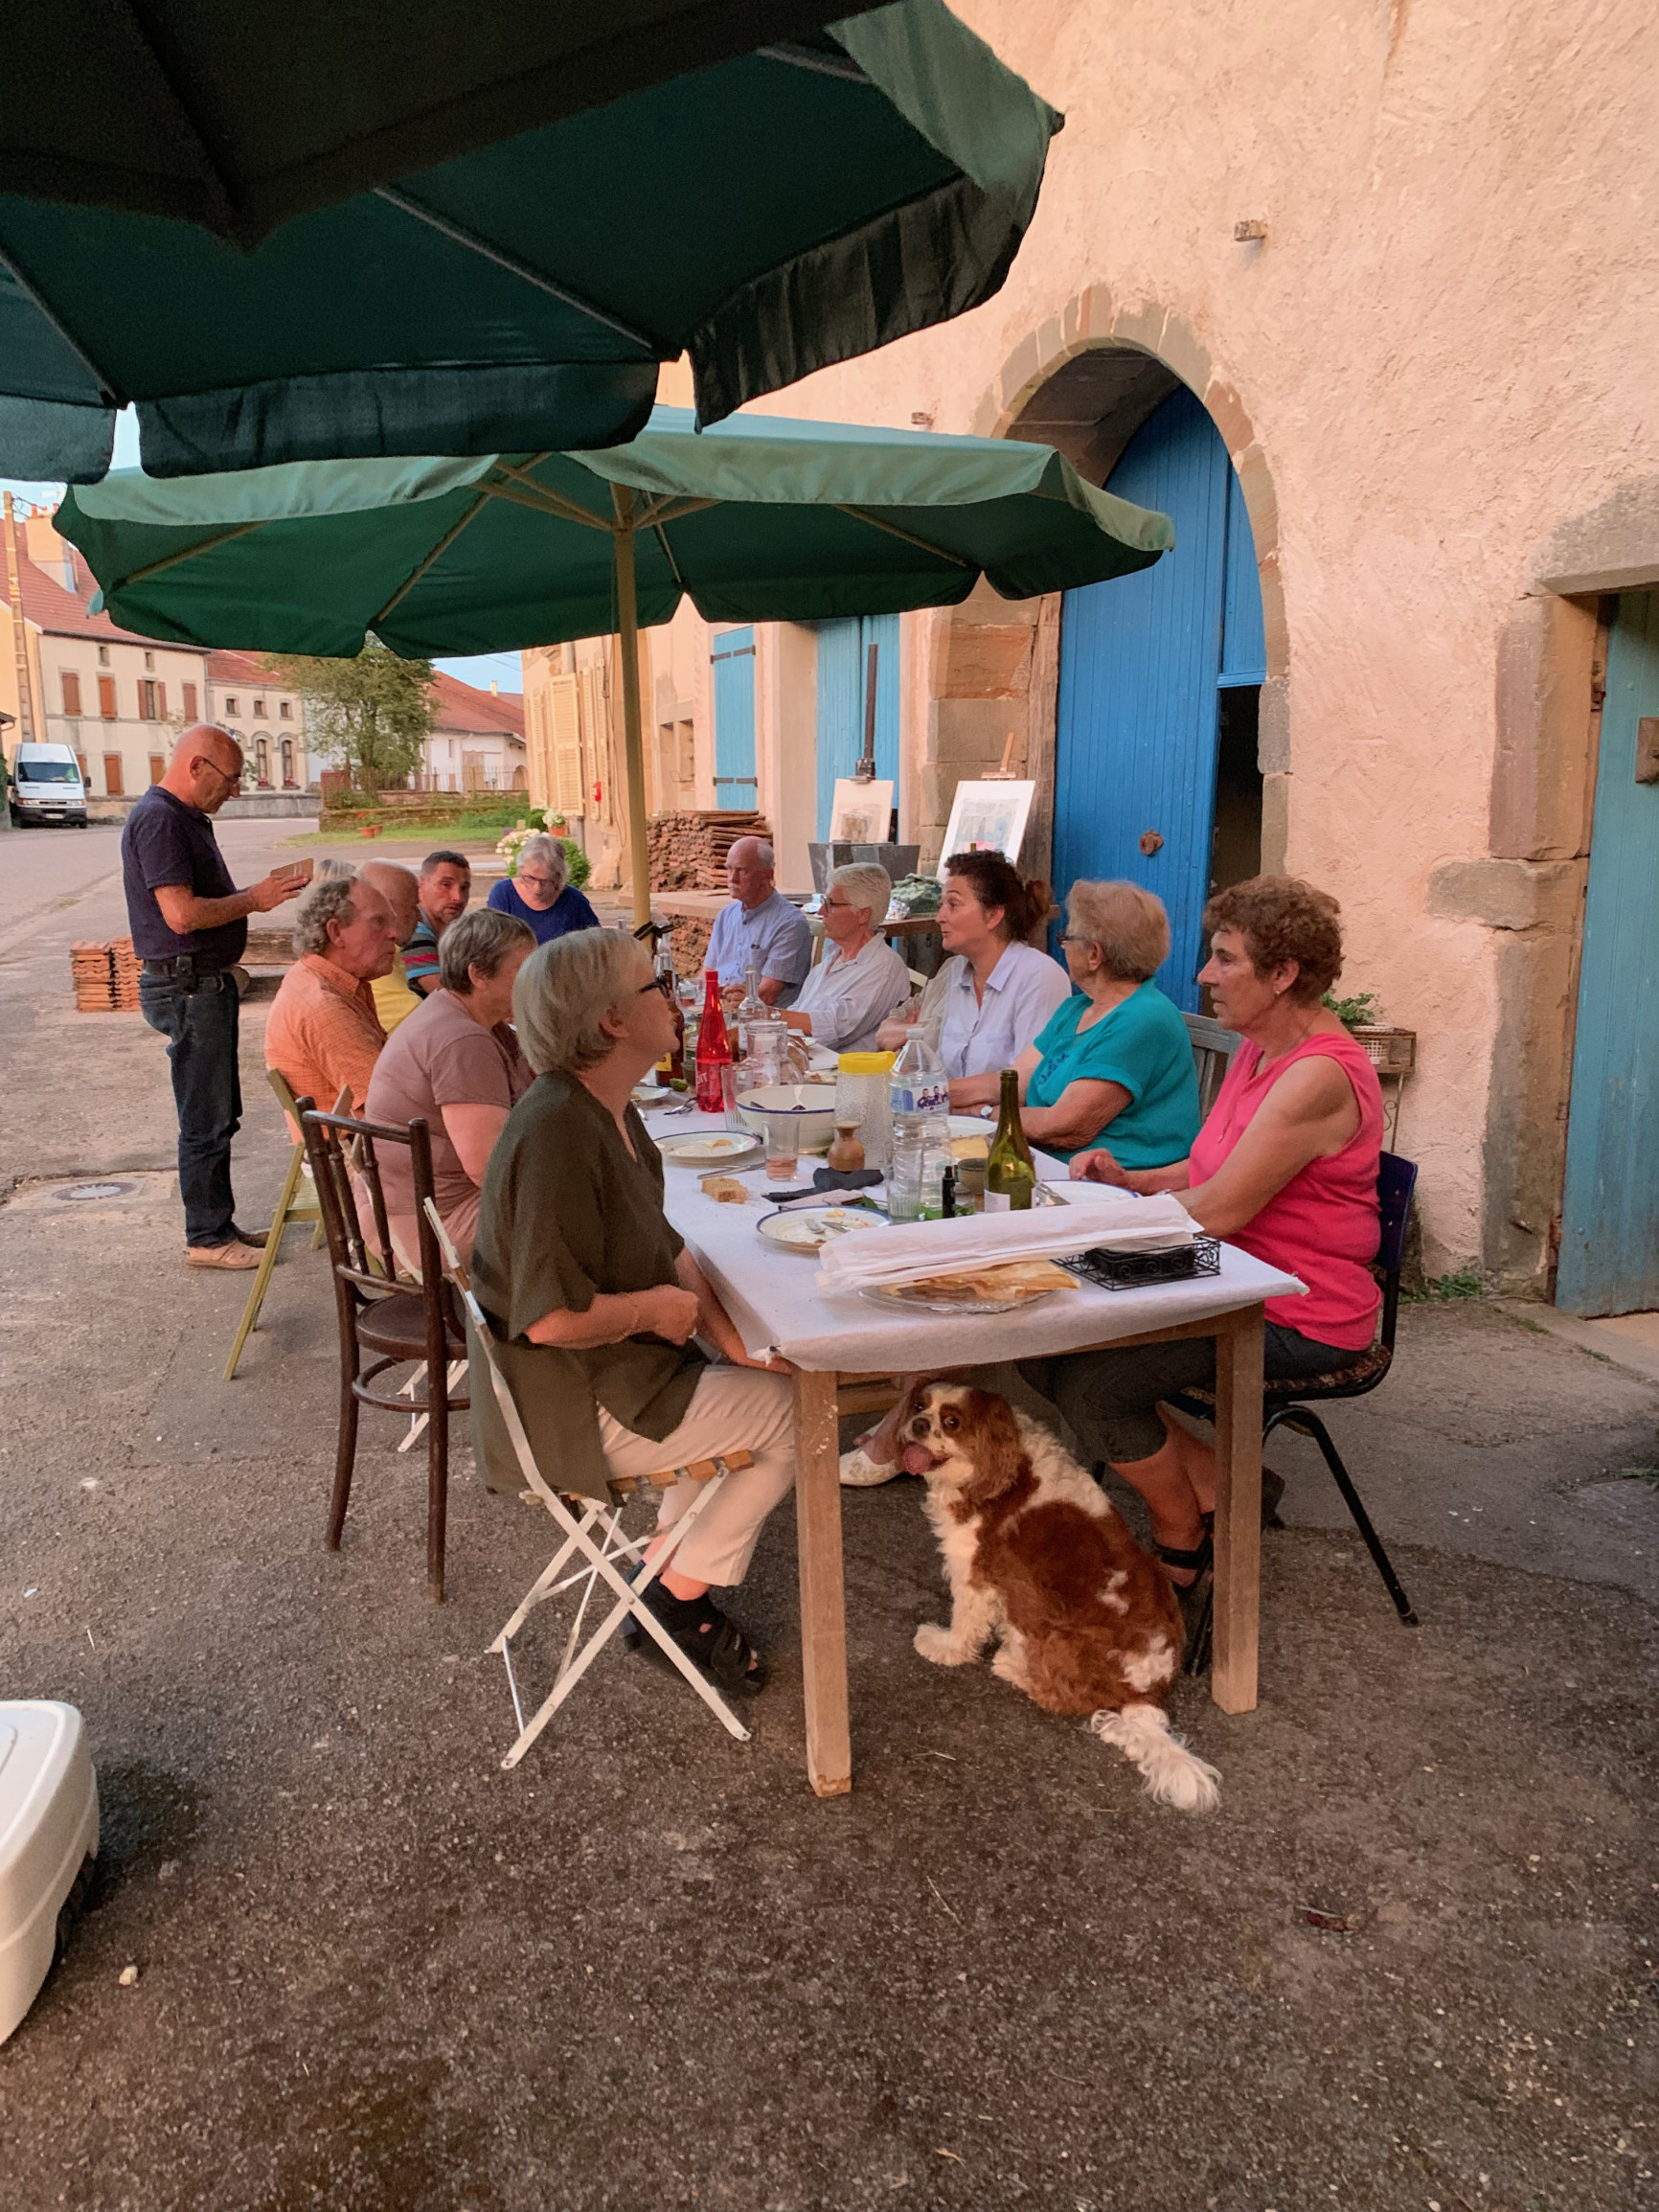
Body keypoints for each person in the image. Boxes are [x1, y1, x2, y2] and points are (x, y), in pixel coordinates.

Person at [1022, 876, 1384, 1590]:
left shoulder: (1316, 1074)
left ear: (1282, 974)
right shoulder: (1260, 1045)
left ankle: (1181, 1532)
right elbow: (1213, 1164)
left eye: (1225, 959)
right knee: (1038, 1335)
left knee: (1095, 1384)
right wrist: (1132, 1180)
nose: (1203, 975)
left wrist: (1103, 1220)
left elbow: (1220, 1210)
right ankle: (1226, 1486)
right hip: (1227, 1274)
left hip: (1300, 1307)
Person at [470, 927, 796, 1694]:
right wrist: (654, 1312)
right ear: (612, 1020)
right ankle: (673, 1599)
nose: (673, 999)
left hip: (609, 1377)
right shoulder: (555, 1131)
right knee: (793, 1413)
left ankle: (667, 1564)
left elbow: (671, 1247)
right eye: (656, 986)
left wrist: (735, 1344)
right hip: (566, 1407)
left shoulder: (604, 1108)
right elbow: (549, 1320)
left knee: (760, 1379)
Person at [123, 722, 308, 1271]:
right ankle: (205, 1237)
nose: (235, 789)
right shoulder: (160, 819)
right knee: (204, 1118)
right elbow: (180, 915)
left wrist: (250, 900)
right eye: (230, 778)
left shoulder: (182, 817)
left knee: (219, 1114)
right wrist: (253, 899)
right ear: (196, 766)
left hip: (202, 982)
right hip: (188, 985)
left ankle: (217, 1224)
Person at [950, 880, 1200, 1167]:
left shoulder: (1143, 1018)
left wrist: (983, 1115)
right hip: (1051, 1165)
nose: (1063, 946)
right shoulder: (1077, 1009)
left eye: (1066, 938)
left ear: (1094, 954)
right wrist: (932, 1093)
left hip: (1116, 1178)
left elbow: (1064, 1127)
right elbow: (1011, 1082)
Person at [365, 906, 534, 1265]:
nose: (536, 981)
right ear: (478, 974)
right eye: (523, 969)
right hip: (433, 1229)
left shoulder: (473, 1020)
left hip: (420, 1209)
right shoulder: (462, 1040)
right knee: (588, 1202)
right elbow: (489, 1169)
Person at [876, 850, 1070, 1092]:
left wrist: (935, 1093)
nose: (939, 917)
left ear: (993, 916)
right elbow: (942, 1067)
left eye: (953, 905)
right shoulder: (958, 971)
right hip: (949, 1113)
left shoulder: (1038, 976)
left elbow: (1026, 1083)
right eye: (941, 905)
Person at [264, 873, 399, 1118]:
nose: (394, 933)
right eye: (378, 922)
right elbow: (390, 1109)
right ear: (336, 932)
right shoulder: (325, 1008)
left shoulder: (315, 977)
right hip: (363, 1139)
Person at [782, 862, 911, 1052]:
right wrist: (763, 1017)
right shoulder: (833, 956)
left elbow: (837, 1029)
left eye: (831, 904)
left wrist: (770, 1015)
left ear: (863, 915)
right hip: (803, 1057)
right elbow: (798, 1010)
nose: (821, 912)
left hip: (842, 1067)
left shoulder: (883, 968)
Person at [705, 835, 811, 1008]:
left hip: (760, 1017)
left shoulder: (790, 924)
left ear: (766, 875)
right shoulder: (726, 915)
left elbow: (766, 996)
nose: (732, 878)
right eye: (729, 869)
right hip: (719, 1008)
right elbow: (707, 974)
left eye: (741, 870)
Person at [487, 832, 600, 946]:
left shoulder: (574, 900)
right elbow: (490, 943)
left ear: (558, 877)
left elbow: (596, 943)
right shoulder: (503, 893)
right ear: (521, 869)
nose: (537, 888)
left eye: (545, 881)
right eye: (530, 878)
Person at [359, 860, 423, 1036]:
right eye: (413, 907)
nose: (420, 917)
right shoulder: (372, 961)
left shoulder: (389, 953)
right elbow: (424, 1025)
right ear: (384, 907)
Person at [401, 849, 471, 997]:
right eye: (446, 885)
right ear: (421, 884)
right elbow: (452, 998)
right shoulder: (413, 931)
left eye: (464, 888)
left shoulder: (461, 931)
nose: (458, 897)